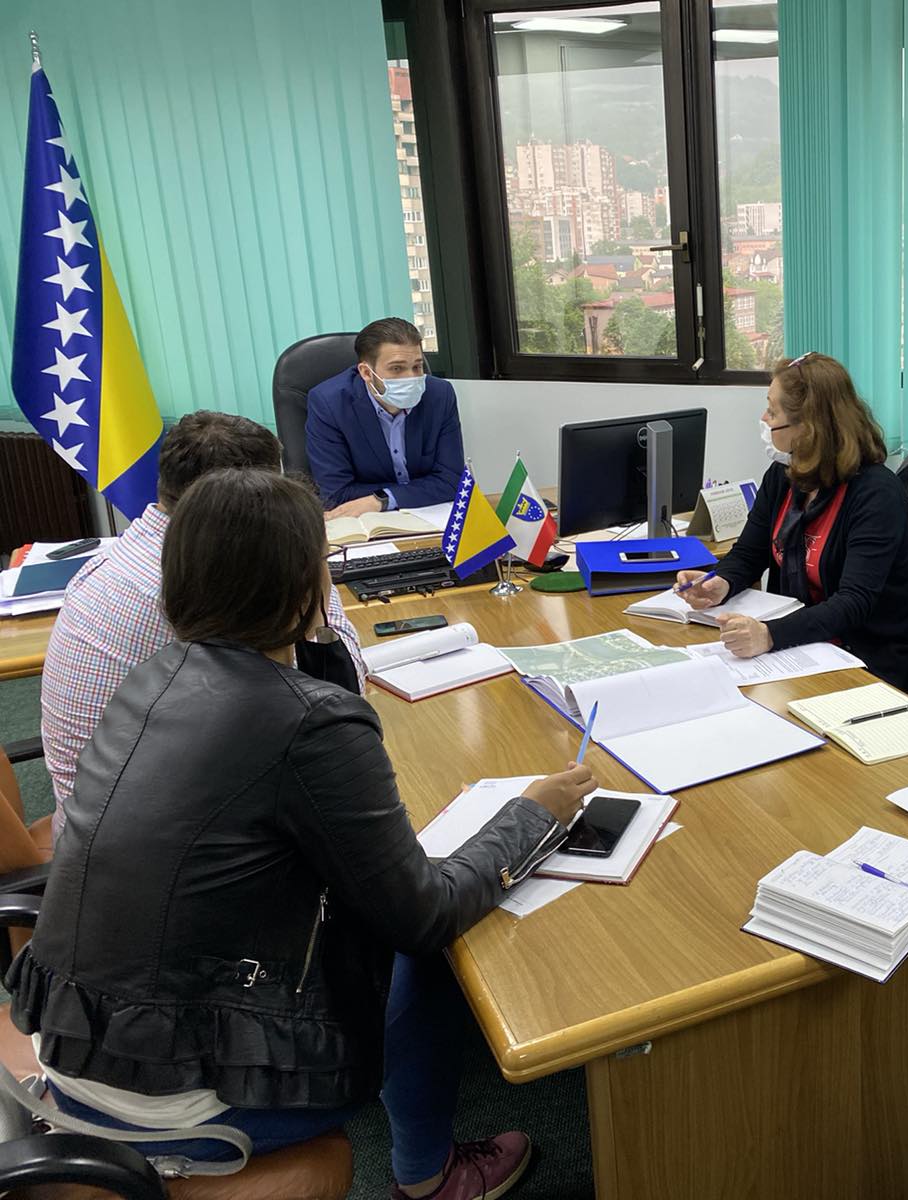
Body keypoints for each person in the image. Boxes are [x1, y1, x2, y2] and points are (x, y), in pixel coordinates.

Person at [9, 468, 598, 1200]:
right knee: (428, 948)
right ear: (304, 587)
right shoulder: (311, 723)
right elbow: (424, 915)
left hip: (83, 1045)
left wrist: (310, 642)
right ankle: (431, 1178)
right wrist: (534, 814)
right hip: (176, 1100)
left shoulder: (154, 675)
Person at [40, 410, 367, 844]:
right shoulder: (196, 586)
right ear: (253, 503)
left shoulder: (125, 553)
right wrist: (309, 564)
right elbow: (338, 699)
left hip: (97, 824)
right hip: (154, 846)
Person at [675, 352, 908, 695]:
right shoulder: (783, 476)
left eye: (773, 412)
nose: (764, 419)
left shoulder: (876, 493)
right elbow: (750, 553)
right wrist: (721, 582)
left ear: (808, 427)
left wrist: (770, 635)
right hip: (807, 643)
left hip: (874, 652)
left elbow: (854, 601)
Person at [305, 317, 465, 517]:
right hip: (365, 522)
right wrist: (415, 491)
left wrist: (383, 499)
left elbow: (452, 481)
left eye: (417, 366)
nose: (411, 378)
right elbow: (336, 494)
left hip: (429, 517)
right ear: (366, 372)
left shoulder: (439, 395)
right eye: (397, 368)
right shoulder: (329, 404)